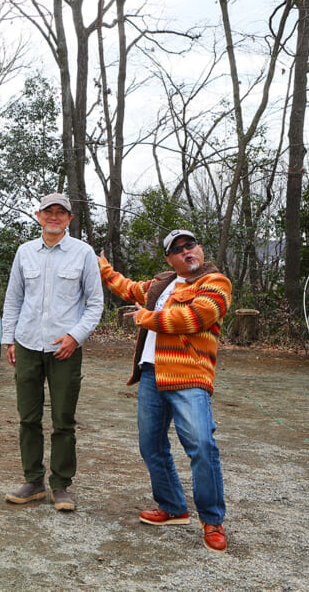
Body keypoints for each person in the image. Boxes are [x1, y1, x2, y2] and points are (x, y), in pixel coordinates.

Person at [97, 229, 232, 552]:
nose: (187, 252)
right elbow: (129, 289)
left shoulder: (215, 282)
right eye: (178, 249)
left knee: (201, 445)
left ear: (200, 249)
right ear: (170, 258)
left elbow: (195, 316)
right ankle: (173, 507)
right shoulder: (162, 284)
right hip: (150, 374)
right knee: (151, 445)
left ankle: (212, 519)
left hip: (189, 376)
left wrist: (147, 318)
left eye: (191, 245)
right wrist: (103, 268)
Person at [1, 193, 104, 511]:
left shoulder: (83, 254)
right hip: (28, 344)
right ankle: (33, 481)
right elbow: (14, 299)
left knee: (63, 420)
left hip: (65, 349)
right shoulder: (25, 253)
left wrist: (75, 336)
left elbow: (95, 304)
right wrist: (9, 339)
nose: (55, 217)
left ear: (70, 219)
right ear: (38, 216)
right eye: (49, 212)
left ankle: (61, 485)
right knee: (28, 418)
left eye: (62, 213)